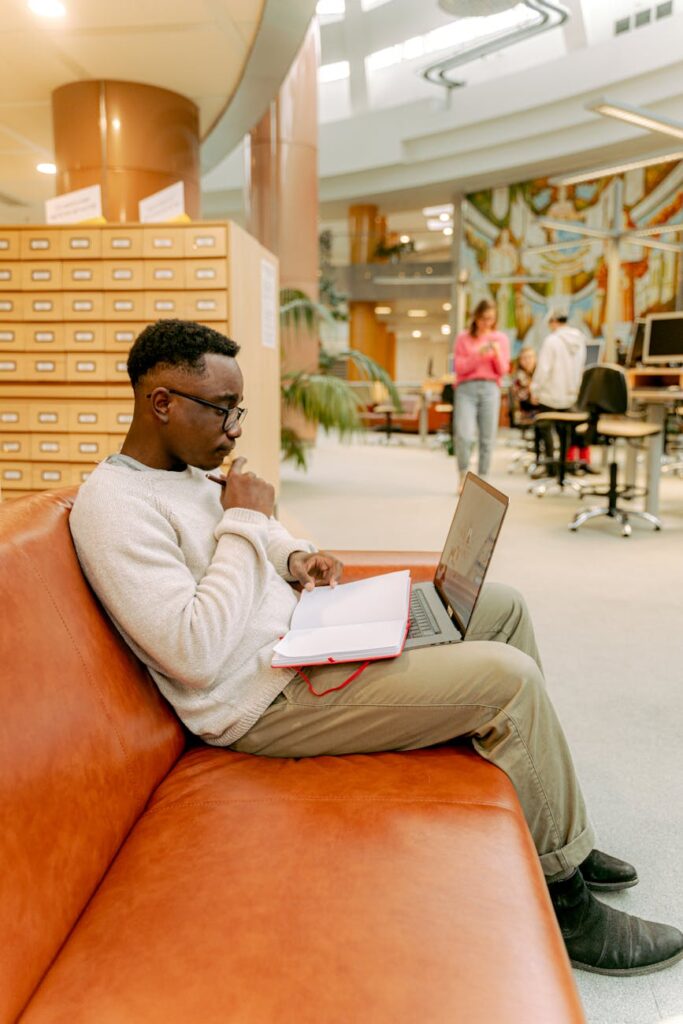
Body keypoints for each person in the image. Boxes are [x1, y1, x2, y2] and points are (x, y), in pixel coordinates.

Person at [69, 319, 683, 977]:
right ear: (160, 403)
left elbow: (255, 546)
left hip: (306, 640)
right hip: (261, 701)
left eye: (237, 409)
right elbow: (192, 652)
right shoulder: (113, 507)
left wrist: (296, 555)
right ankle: (565, 903)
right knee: (506, 679)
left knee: (502, 606)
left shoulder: (190, 471)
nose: (236, 427)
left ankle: (565, 838)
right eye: (222, 409)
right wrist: (246, 520)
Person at [453, 299, 510, 489]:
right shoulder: (463, 338)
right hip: (466, 389)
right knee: (464, 435)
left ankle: (483, 480)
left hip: (490, 389)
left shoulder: (500, 338)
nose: (488, 323)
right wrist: (479, 353)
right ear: (476, 318)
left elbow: (503, 370)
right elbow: (460, 368)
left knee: (487, 437)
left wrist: (496, 353)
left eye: (491, 319)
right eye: (484, 318)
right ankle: (463, 476)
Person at [530, 311, 591, 479]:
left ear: (553, 322)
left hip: (550, 395)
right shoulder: (580, 340)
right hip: (571, 396)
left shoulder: (552, 341)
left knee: (545, 429)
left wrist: (535, 389)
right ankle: (564, 466)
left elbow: (544, 369)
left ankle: (550, 467)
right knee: (566, 432)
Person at [511, 345, 536, 416]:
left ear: (535, 358)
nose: (528, 361)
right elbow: (519, 397)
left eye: (530, 357)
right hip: (526, 410)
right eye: (524, 358)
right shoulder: (518, 376)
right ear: (520, 361)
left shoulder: (540, 374)